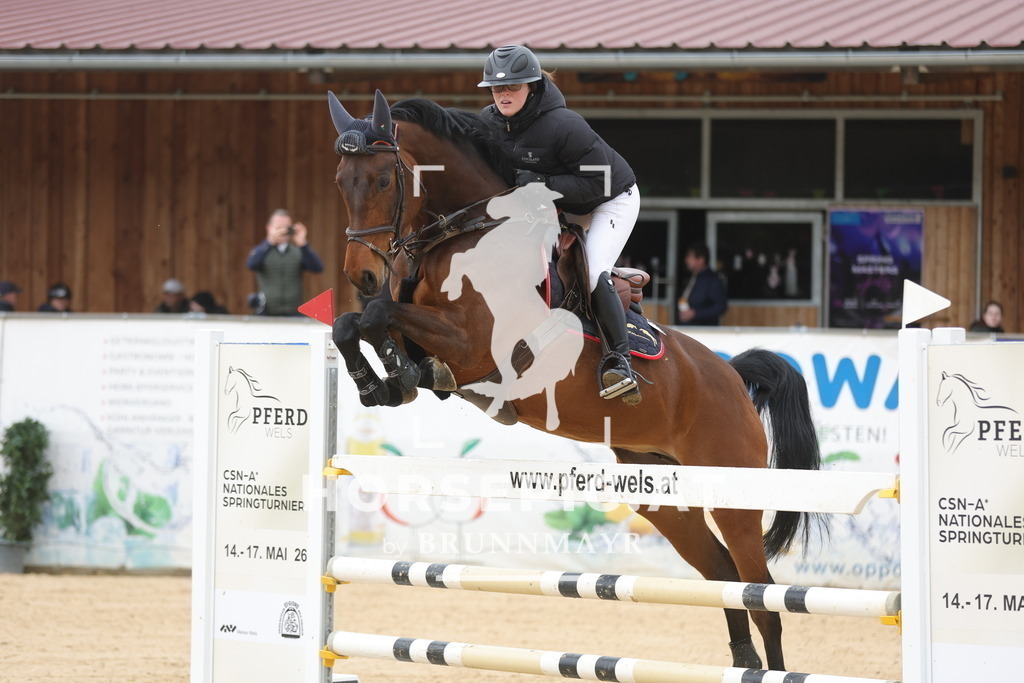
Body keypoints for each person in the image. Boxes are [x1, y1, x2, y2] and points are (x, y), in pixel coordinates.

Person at [478, 45, 642, 405]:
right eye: (496, 88)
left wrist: (539, 185)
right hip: (553, 204)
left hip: (609, 200)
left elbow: (599, 182)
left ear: (532, 87)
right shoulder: (489, 123)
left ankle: (620, 360)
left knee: (591, 270)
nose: (503, 94)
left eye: (512, 87)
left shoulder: (565, 125)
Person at [246, 209, 324, 316]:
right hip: (267, 312)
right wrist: (269, 242)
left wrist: (303, 244)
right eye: (278, 228)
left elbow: (317, 268)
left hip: (294, 313)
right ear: (269, 228)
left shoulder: (298, 251)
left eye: (286, 228)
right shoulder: (262, 251)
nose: (282, 231)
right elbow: (252, 264)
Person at [677, 243, 728, 326]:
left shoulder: (712, 279)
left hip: (704, 331)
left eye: (690, 257)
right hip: (688, 328)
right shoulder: (692, 276)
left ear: (701, 259)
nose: (686, 260)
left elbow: (721, 306)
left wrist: (695, 313)